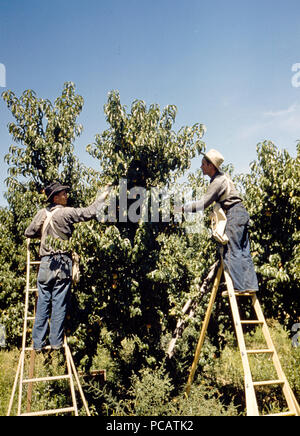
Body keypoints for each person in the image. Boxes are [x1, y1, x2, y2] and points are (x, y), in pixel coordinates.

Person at [25, 181, 110, 351]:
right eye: (63, 193)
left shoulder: (42, 213)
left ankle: (37, 343)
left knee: (42, 302)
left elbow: (29, 232)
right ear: (55, 197)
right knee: (59, 303)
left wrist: (44, 235)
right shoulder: (66, 213)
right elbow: (90, 212)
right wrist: (104, 194)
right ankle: (56, 342)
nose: (66, 196)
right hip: (62, 263)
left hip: (45, 263)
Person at [181, 149, 258, 293]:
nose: (201, 167)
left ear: (211, 166)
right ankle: (250, 286)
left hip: (234, 214)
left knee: (231, 250)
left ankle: (239, 287)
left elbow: (202, 204)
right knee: (244, 251)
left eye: (203, 164)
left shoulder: (217, 181)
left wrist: (182, 209)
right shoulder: (223, 177)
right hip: (242, 213)